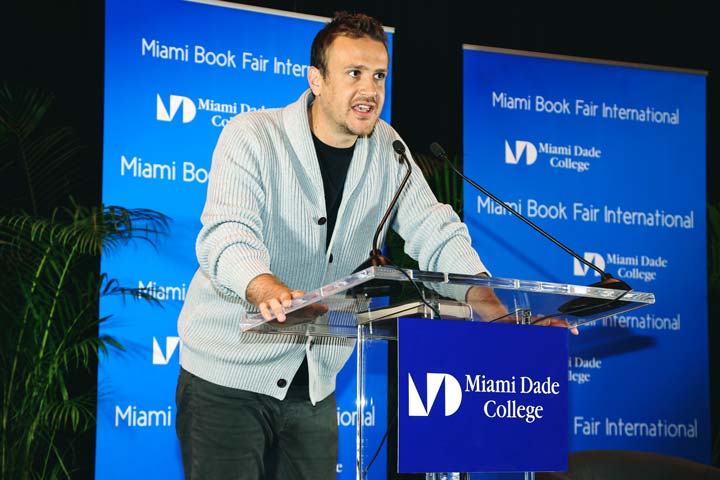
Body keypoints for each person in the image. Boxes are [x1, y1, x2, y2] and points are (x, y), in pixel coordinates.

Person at [175, 11, 568, 480]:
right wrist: (264, 287)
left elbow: (435, 231)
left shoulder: (389, 148)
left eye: (379, 75)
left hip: (314, 383)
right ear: (316, 79)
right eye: (354, 74)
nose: (370, 90)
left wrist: (498, 314)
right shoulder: (253, 136)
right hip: (227, 376)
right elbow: (227, 231)